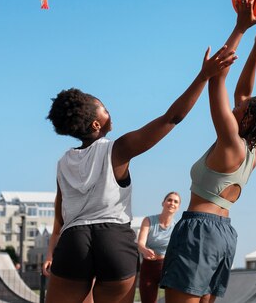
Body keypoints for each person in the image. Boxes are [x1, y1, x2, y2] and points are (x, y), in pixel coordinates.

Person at [41, 45, 237, 303]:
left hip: (73, 241)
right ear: (96, 124)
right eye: (104, 109)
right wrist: (203, 76)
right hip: (113, 239)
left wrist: (53, 250)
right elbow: (172, 118)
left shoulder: (64, 162)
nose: (109, 111)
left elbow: (60, 215)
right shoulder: (117, 149)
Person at [161, 0, 256, 303]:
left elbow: (219, 79)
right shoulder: (251, 153)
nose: (240, 104)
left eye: (245, 107)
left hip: (199, 231)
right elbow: (244, 90)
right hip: (225, 235)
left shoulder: (230, 139)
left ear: (248, 117)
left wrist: (239, 28)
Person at [137, 192, 181, 303]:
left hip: (167, 268)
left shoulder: (177, 227)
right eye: (169, 200)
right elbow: (140, 243)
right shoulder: (149, 221)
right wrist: (145, 250)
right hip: (148, 267)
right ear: (163, 203)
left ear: (178, 207)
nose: (172, 203)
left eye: (176, 202)